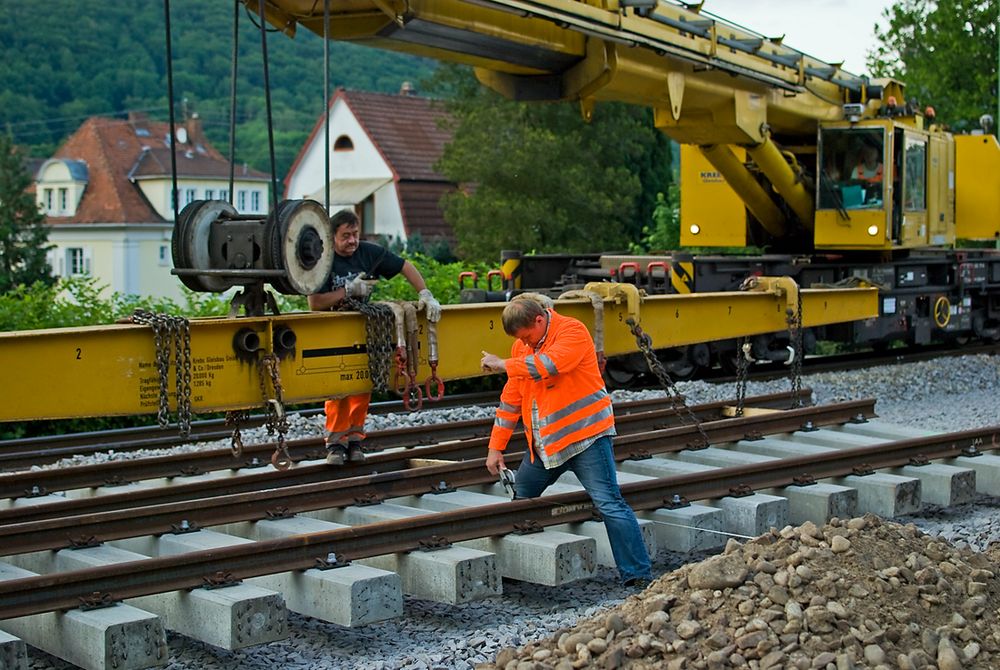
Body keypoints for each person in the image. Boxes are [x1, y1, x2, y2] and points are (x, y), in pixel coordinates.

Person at [480, 295, 653, 587]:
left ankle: (637, 575)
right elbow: (511, 399)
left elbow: (550, 364)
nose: (527, 344)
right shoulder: (522, 346)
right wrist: (495, 447)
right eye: (521, 341)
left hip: (587, 438)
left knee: (609, 503)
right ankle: (517, 572)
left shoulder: (573, 331)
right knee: (520, 501)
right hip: (546, 445)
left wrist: (503, 364)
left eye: (528, 336)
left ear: (539, 319)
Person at [308, 209, 441, 465]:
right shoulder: (322, 260)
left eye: (355, 234)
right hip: (332, 330)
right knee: (338, 389)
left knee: (362, 386)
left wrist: (425, 293)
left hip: (365, 327)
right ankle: (336, 444)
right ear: (332, 236)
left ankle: (355, 440)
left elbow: (405, 266)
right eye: (345, 236)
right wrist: (346, 291)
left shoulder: (368, 253)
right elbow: (315, 302)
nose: (352, 241)